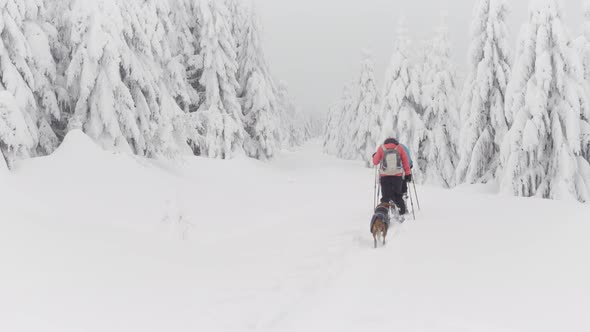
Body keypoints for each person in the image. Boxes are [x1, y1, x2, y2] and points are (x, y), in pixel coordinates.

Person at [372, 138, 412, 215]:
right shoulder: (399, 148)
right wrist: (407, 174)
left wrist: (374, 156)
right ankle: (402, 212)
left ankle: (384, 214)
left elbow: (375, 162)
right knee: (398, 195)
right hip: (397, 176)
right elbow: (405, 161)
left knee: (385, 197)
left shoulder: (381, 148)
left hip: (385, 176)